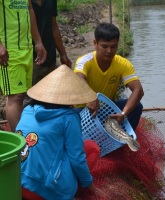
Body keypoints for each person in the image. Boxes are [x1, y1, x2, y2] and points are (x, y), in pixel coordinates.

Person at [16, 65, 102, 200]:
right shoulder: (69, 117)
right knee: (92, 147)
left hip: (16, 183)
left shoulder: (27, 109)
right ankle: (70, 191)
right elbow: (77, 158)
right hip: (42, 192)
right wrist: (91, 187)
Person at [74, 22, 144, 131]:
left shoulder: (123, 64)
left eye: (113, 47)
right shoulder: (85, 61)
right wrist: (90, 96)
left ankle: (124, 142)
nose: (109, 51)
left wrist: (123, 113)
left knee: (137, 106)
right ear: (95, 44)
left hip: (106, 109)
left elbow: (138, 90)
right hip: (82, 109)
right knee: (71, 116)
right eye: (104, 46)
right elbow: (78, 77)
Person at [0, 0, 47, 132]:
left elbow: (30, 9)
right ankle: (20, 142)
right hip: (9, 51)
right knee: (16, 97)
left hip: (26, 49)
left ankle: (23, 136)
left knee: (24, 95)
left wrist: (38, 41)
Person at [31, 0, 72, 86]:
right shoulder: (22, 3)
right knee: (29, 96)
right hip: (31, 59)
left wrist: (63, 54)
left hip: (50, 57)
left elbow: (53, 25)